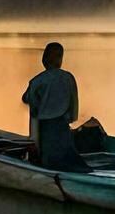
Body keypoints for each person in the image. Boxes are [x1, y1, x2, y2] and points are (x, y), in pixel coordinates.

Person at [22, 41, 87, 172]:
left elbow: (26, 99)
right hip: (63, 127)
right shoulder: (69, 78)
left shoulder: (37, 81)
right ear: (60, 60)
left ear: (44, 59)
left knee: (48, 161)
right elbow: (74, 109)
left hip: (46, 128)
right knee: (69, 159)